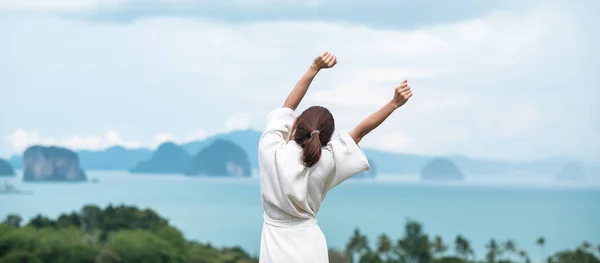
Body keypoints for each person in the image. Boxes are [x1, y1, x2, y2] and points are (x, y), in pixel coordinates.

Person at [258, 51, 413, 263]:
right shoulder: (326, 162)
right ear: (326, 140)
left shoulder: (270, 150)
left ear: (295, 124)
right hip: (310, 247)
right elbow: (359, 132)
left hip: (274, 245)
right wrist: (394, 103)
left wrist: (314, 68)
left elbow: (288, 107)